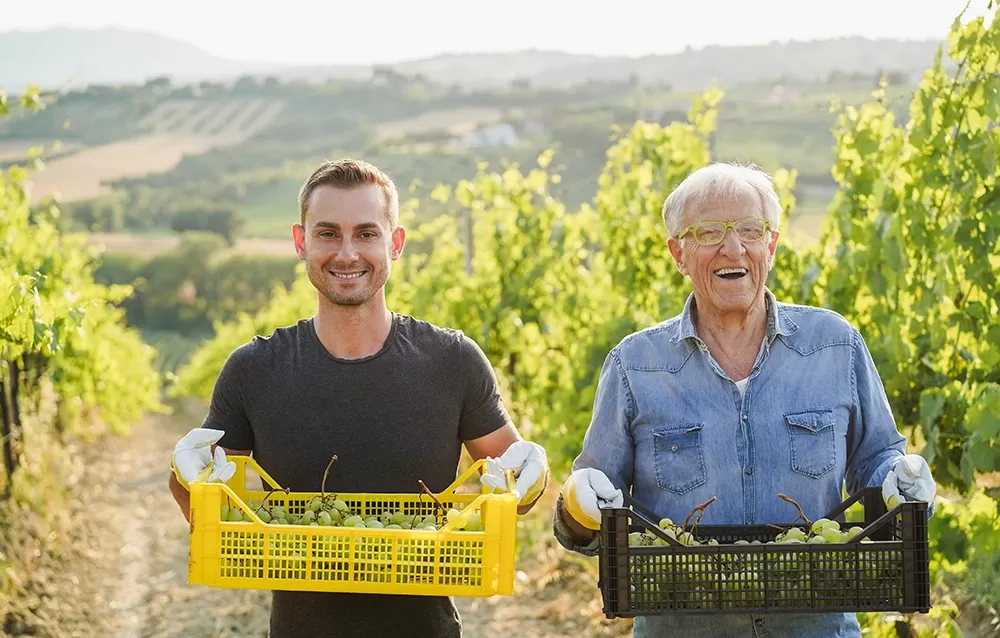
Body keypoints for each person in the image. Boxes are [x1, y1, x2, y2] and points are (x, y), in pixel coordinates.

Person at [167, 158, 549, 638]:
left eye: (366, 234)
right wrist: (183, 475)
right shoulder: (254, 370)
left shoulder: (452, 361)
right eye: (328, 233)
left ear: (396, 243)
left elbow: (517, 492)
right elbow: (211, 512)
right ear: (300, 241)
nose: (347, 253)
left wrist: (534, 472)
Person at [552, 162, 936, 638]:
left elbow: (878, 460)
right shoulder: (635, 366)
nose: (732, 248)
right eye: (709, 231)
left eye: (750, 230)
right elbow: (589, 515)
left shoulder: (835, 346)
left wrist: (903, 483)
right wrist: (579, 503)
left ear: (770, 245)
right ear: (678, 253)